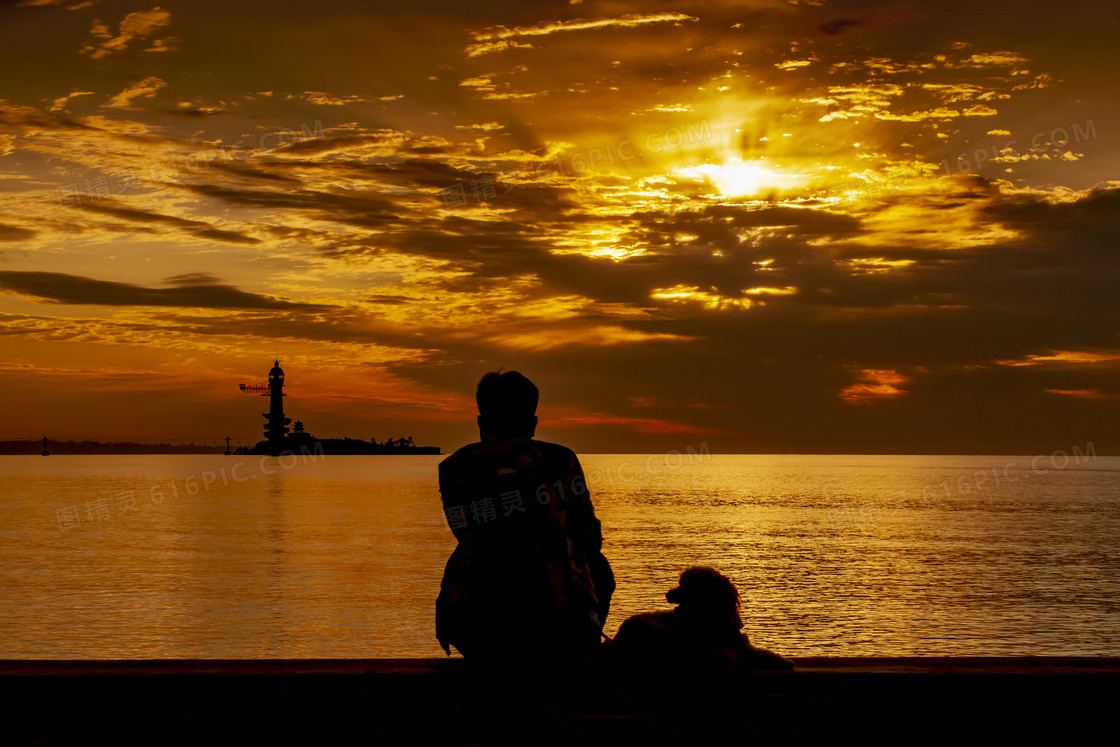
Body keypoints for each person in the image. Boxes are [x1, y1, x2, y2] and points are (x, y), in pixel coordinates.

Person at [435, 371, 615, 664]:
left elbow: (463, 531)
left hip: (478, 625)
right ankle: (580, 646)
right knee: (598, 566)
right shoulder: (561, 459)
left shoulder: (455, 465)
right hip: (560, 623)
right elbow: (588, 534)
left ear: (481, 421)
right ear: (533, 423)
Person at [606, 566, 792, 673]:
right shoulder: (650, 626)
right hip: (647, 641)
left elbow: (744, 651)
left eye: (685, 589)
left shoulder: (724, 626)